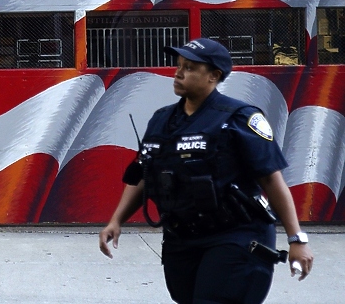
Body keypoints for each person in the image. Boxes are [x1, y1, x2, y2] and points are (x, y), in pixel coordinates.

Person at [99, 38, 314, 303]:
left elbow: (271, 179)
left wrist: (297, 239)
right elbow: (144, 173)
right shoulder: (162, 120)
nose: (178, 73)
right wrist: (116, 220)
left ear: (214, 76)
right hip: (182, 238)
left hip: (235, 234)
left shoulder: (239, 118)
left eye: (189, 67)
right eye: (178, 65)